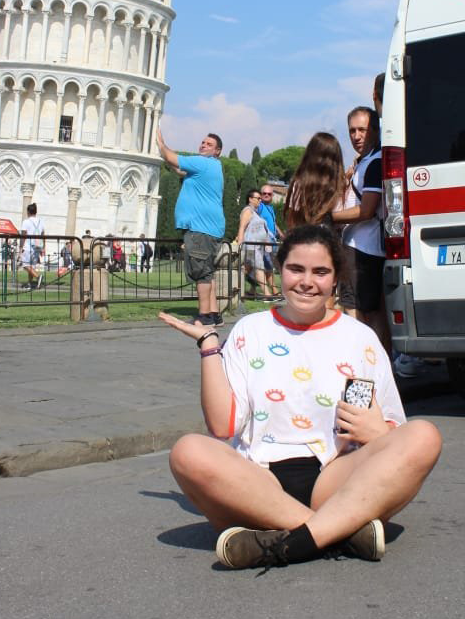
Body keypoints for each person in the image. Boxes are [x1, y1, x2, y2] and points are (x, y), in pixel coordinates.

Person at [158, 224, 442, 570]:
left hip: (335, 478)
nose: (307, 281)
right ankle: (339, 532)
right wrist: (209, 348)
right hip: (258, 483)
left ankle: (285, 542)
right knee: (188, 451)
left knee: (425, 435)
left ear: (335, 278)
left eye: (320, 272)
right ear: (280, 270)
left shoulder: (360, 339)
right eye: (296, 269)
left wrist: (379, 433)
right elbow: (222, 426)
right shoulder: (251, 330)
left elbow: (395, 442)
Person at [157, 128, 225, 327]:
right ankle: (214, 314)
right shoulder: (211, 166)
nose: (203, 145)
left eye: (209, 144)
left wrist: (160, 143)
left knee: (200, 272)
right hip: (210, 228)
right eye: (203, 142)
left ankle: (203, 316)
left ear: (217, 151)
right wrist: (166, 158)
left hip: (200, 228)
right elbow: (178, 168)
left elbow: (171, 157)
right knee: (207, 272)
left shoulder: (203, 163)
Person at [332, 108, 388, 345]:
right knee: (364, 312)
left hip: (362, 249)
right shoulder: (366, 162)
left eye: (362, 130)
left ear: (375, 130)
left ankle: (368, 370)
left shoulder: (374, 163)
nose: (356, 136)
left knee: (360, 314)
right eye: (352, 131)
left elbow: (366, 211)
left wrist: (328, 217)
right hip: (361, 247)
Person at [285, 132, 347, 230]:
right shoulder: (340, 184)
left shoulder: (299, 183)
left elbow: (293, 220)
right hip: (330, 240)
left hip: (303, 238)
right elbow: (341, 223)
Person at [235, 189, 272, 298]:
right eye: (258, 198)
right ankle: (268, 295)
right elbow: (241, 228)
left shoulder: (255, 212)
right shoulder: (247, 210)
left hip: (256, 247)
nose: (260, 200)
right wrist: (239, 246)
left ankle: (233, 289)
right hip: (251, 246)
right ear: (250, 199)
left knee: (246, 269)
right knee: (258, 267)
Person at [257, 183, 283, 293]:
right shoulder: (259, 206)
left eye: (269, 194)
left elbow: (273, 222)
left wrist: (281, 234)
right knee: (268, 265)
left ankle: (272, 290)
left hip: (272, 240)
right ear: (260, 195)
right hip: (264, 240)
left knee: (271, 265)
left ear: (272, 196)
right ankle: (274, 290)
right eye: (264, 193)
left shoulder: (271, 208)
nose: (267, 195)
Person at [20, 202, 45, 290]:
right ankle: (30, 284)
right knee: (32, 266)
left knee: (25, 265)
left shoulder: (26, 222)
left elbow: (23, 235)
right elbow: (43, 235)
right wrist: (43, 248)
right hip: (37, 246)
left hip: (27, 246)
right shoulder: (41, 221)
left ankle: (38, 277)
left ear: (28, 212)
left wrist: (20, 247)